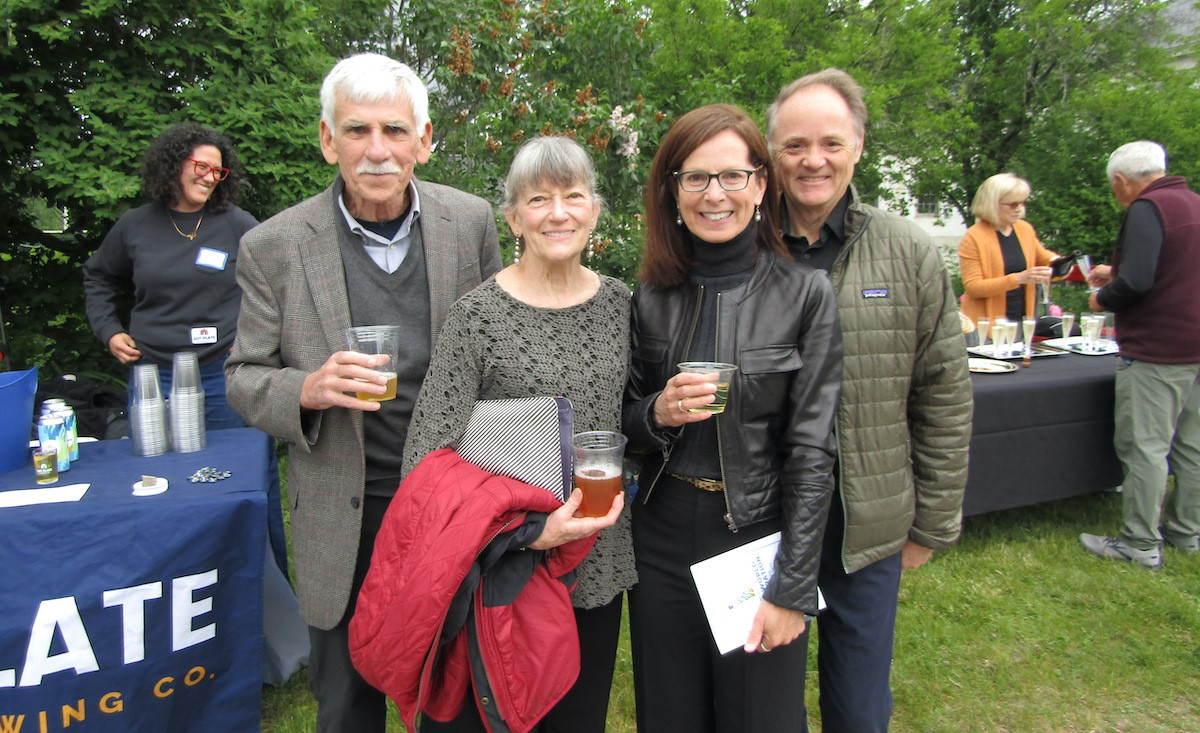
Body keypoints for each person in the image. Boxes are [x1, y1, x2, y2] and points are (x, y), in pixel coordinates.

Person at [224, 53, 502, 732]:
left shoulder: (469, 223)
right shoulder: (274, 246)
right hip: (342, 508)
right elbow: (243, 376)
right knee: (348, 703)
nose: (377, 150)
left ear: (424, 139)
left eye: (394, 131)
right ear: (327, 140)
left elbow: (501, 347)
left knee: (452, 693)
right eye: (356, 131)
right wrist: (308, 388)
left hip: (446, 500)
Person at [394, 134, 634, 732]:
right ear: (512, 218)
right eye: (538, 199)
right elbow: (428, 456)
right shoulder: (476, 315)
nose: (558, 212)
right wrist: (529, 531)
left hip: (593, 560)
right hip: (498, 568)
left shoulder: (622, 306)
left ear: (595, 212)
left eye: (574, 196)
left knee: (575, 718)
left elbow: (630, 417)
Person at [622, 103, 843, 732]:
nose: (713, 195)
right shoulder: (650, 295)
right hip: (662, 535)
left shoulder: (804, 293)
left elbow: (812, 450)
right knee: (668, 716)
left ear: (761, 184)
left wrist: (791, 587)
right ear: (673, 190)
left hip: (755, 534)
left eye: (732, 176)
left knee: (761, 719)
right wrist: (658, 412)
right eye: (695, 178)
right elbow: (624, 423)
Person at [765, 69, 973, 732]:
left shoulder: (905, 248)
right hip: (762, 520)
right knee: (766, 700)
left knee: (857, 706)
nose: (813, 159)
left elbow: (942, 388)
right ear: (772, 151)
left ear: (858, 147)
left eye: (831, 142)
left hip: (867, 522)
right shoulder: (743, 244)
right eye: (795, 144)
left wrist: (932, 521)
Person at [83, 122, 256, 429]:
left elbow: (278, 279)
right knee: (156, 470)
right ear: (174, 165)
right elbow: (98, 277)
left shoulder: (236, 224)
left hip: (222, 373)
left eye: (218, 171)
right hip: (153, 372)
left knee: (230, 467)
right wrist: (109, 330)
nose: (210, 177)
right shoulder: (135, 225)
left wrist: (256, 336)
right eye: (202, 166)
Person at [1079, 140, 1200, 569]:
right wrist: (1121, 270)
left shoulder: (1147, 208)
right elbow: (1177, 268)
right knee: (1191, 445)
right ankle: (1187, 532)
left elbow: (1138, 285)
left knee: (1146, 447)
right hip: (1195, 347)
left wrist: (1101, 298)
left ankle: (1139, 542)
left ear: (1121, 181)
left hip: (1157, 350)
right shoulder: (1193, 204)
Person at [958, 173, 1059, 326]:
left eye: (1023, 203)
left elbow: (1044, 257)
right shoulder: (974, 236)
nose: (1019, 209)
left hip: (1022, 322)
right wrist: (1018, 279)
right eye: (1013, 204)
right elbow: (973, 287)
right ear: (992, 204)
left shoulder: (1024, 229)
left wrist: (1060, 263)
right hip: (985, 326)